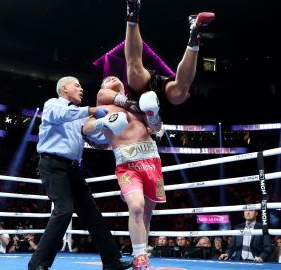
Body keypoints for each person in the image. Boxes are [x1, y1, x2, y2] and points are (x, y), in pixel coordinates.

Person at [28, 76, 132, 270]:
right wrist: (91, 110)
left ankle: (112, 261)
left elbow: (99, 139)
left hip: (73, 167)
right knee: (64, 209)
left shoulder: (81, 117)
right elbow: (63, 115)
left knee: (92, 213)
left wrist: (114, 124)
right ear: (64, 88)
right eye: (77, 85)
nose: (81, 88)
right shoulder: (52, 104)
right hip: (52, 164)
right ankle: (37, 264)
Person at [83, 76, 166, 270]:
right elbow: (85, 128)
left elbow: (156, 128)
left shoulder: (136, 105)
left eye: (116, 78)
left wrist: (152, 115)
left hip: (152, 161)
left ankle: (142, 257)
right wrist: (104, 121)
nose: (111, 77)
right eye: (106, 79)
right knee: (136, 206)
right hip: (127, 165)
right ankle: (139, 257)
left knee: (147, 213)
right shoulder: (102, 105)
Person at [124, 0, 215, 110]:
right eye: (108, 81)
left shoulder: (107, 95)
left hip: (140, 95)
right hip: (163, 108)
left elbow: (105, 96)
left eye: (108, 79)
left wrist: (122, 101)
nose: (110, 80)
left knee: (134, 73)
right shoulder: (105, 101)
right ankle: (195, 34)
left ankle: (132, 10)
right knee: (179, 94)